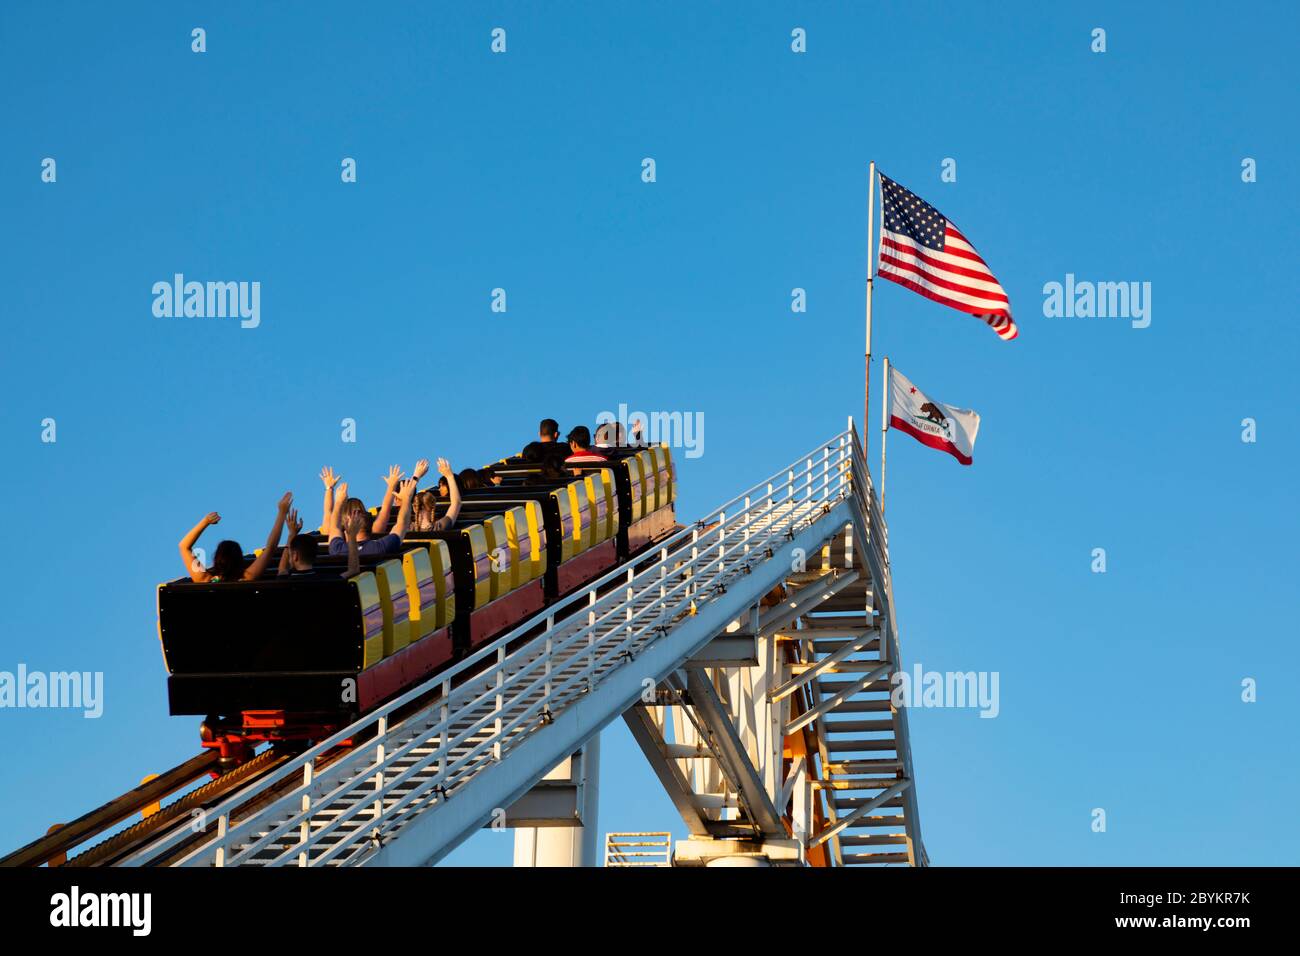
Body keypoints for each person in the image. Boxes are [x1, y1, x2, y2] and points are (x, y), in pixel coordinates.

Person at [179, 492, 293, 583]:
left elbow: (184, 546)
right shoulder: (246, 579)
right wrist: (282, 513)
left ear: (217, 559)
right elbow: (270, 548)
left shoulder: (204, 580)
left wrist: (205, 521)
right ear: (240, 560)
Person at [325, 477, 416, 558]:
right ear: (369, 525)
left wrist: (337, 501)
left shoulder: (337, 549)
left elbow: (333, 527)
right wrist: (406, 499)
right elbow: (402, 523)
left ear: (345, 529)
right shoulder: (381, 547)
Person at [278, 507, 361, 578]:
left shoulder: (284, 581)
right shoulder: (329, 580)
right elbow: (353, 570)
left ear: (295, 555)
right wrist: (352, 536)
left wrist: (292, 534)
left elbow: (282, 569)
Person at [373, 459, 429, 536]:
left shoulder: (383, 521)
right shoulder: (422, 517)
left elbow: (385, 510)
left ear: (395, 497)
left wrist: (391, 487)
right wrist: (416, 476)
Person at [412, 459, 462, 532]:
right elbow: (456, 503)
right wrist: (450, 476)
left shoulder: (407, 528)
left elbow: (405, 498)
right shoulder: (440, 527)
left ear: (414, 507)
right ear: (432, 507)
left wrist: (416, 476)